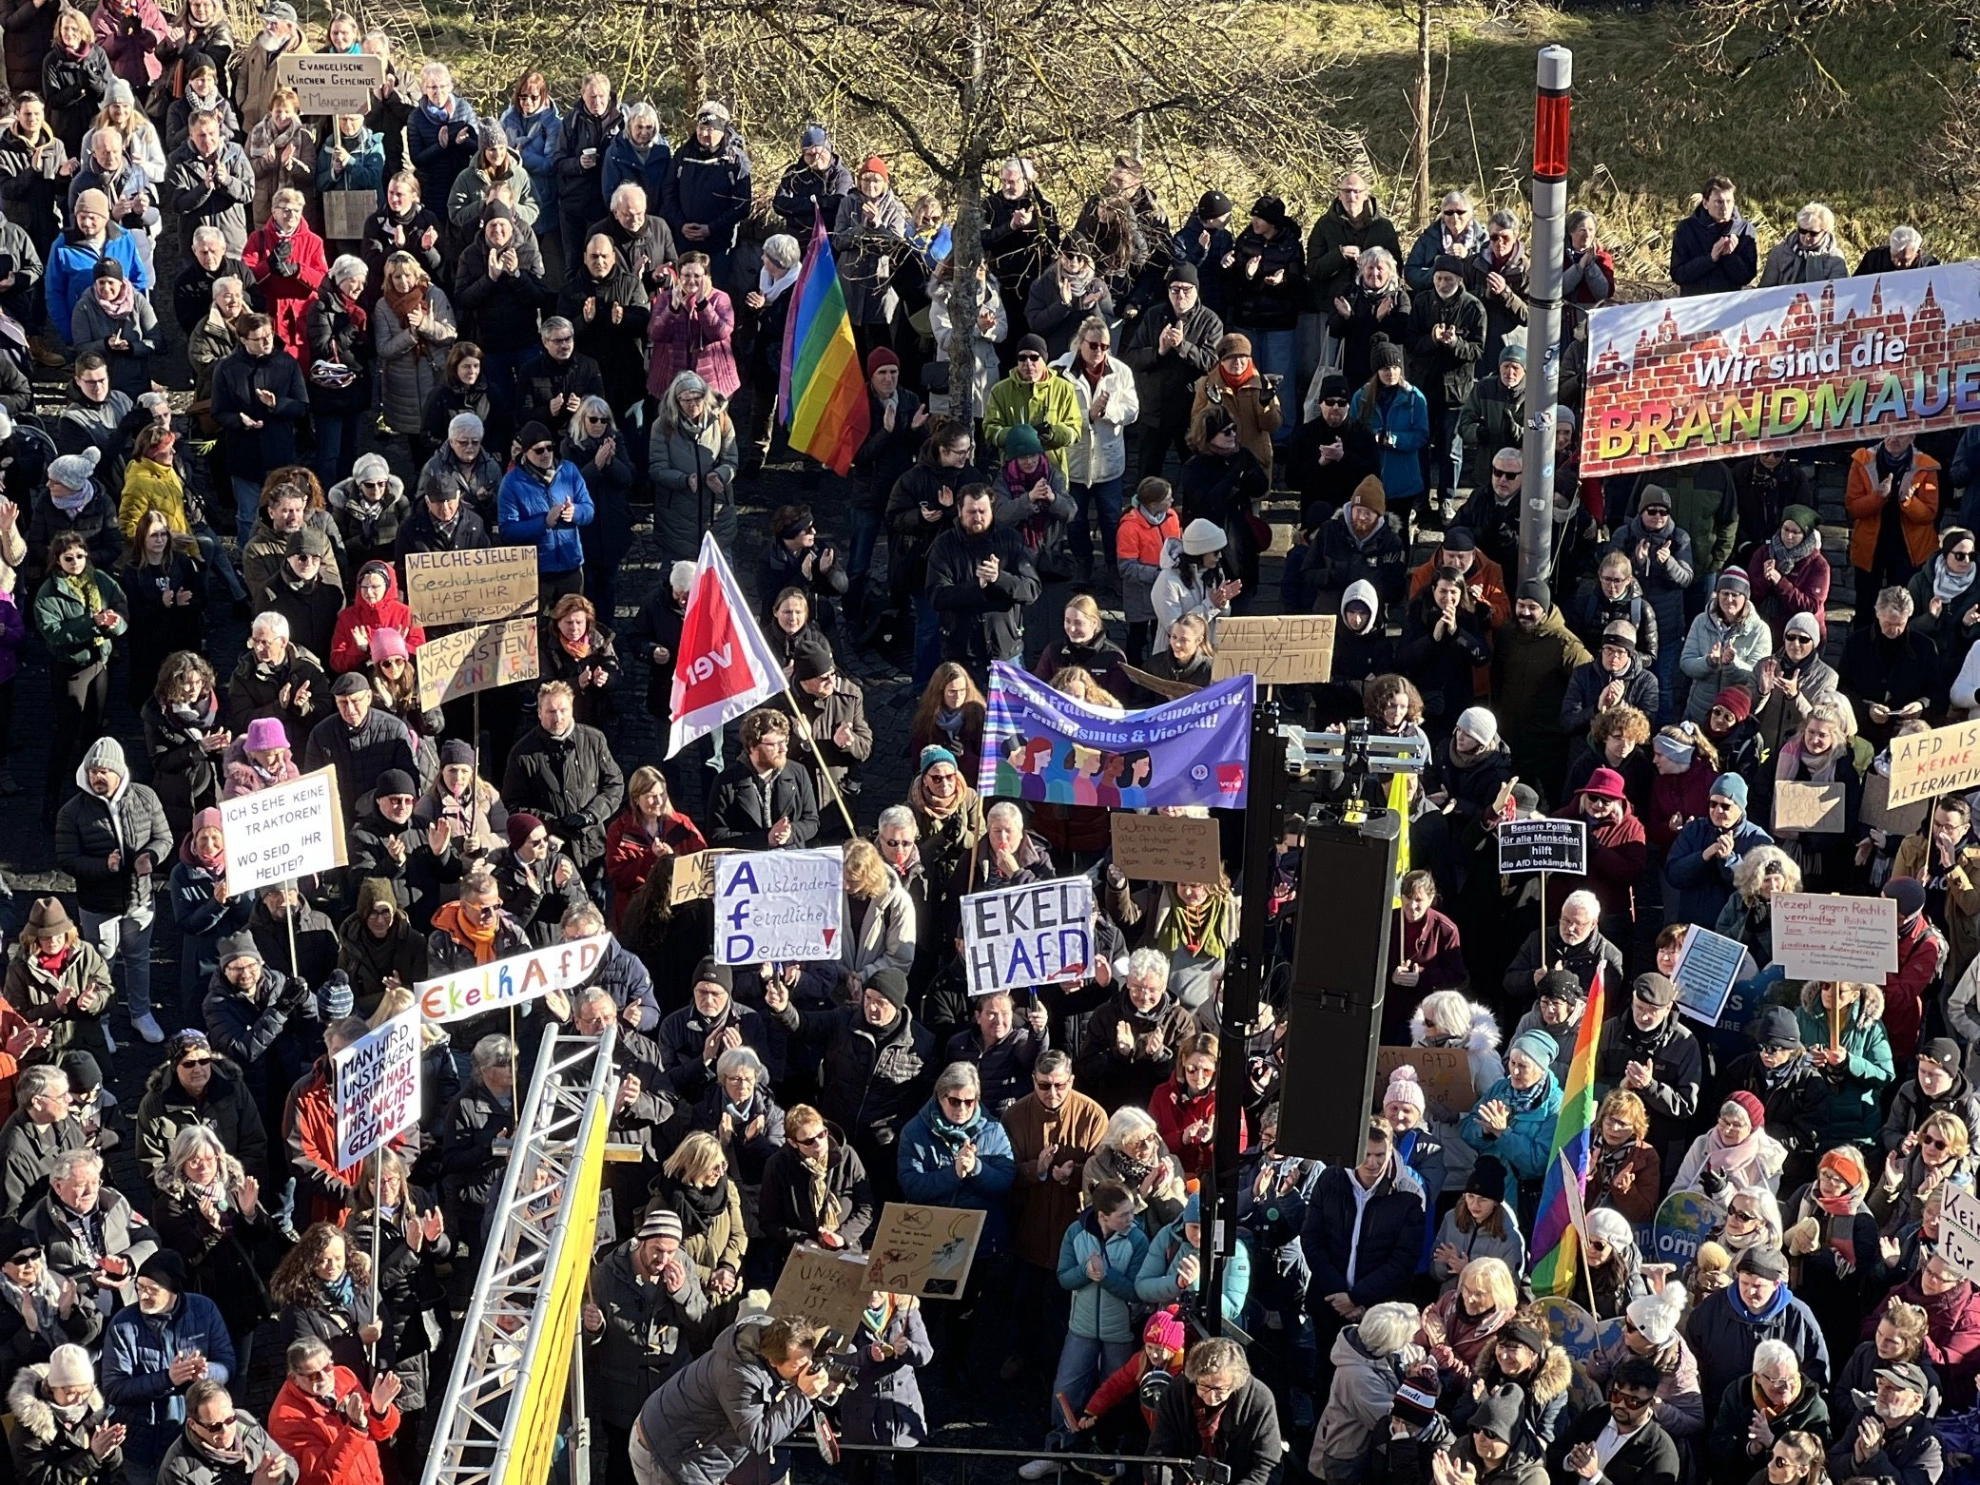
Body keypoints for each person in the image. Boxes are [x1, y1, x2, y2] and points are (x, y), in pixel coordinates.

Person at [55, 735, 172, 1044]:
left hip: (140, 899)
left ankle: (140, 1013)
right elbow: (67, 858)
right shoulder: (72, 811)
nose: (97, 777)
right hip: (97, 904)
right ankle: (101, 1020)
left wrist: (152, 856)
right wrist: (102, 866)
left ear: (119, 772)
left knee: (138, 958)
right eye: (92, 771)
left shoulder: (146, 797)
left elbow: (164, 837)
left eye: (103, 771)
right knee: (100, 963)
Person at [265, 1336, 400, 1485]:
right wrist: (355, 1428)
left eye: (327, 1368)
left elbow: (381, 1433)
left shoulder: (344, 1376)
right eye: (313, 1375)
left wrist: (379, 1410)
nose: (324, 1378)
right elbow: (320, 1476)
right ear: (294, 1378)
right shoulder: (285, 1420)